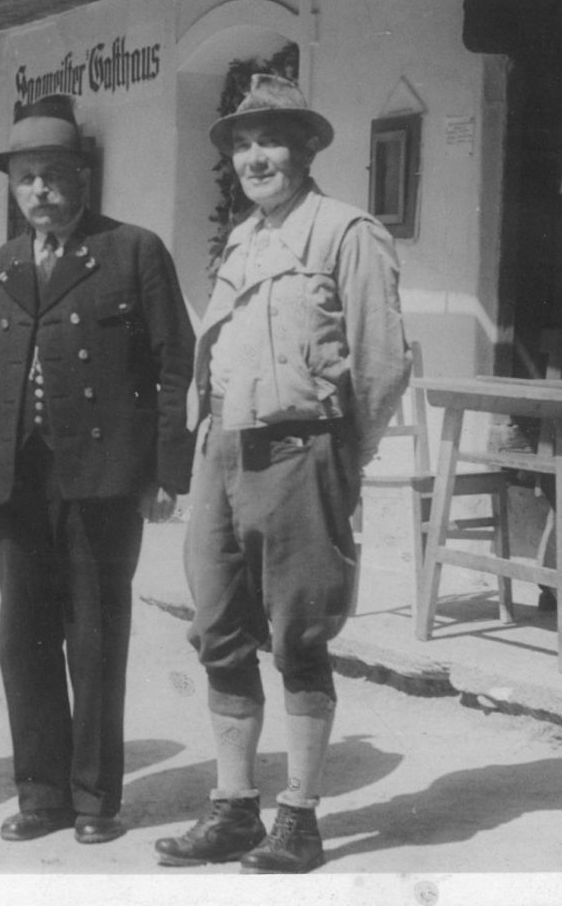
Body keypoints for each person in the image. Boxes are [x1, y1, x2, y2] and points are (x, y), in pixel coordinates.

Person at [153, 74, 411, 873]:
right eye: (242, 144)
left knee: (299, 635)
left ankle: (298, 816)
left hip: (303, 451)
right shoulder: (242, 237)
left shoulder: (346, 232)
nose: (255, 158)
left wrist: (340, 460)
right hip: (224, 451)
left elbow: (380, 364)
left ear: (304, 150)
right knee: (219, 630)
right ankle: (234, 807)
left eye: (270, 141)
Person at [0, 94, 194, 845]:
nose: (41, 190)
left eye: (54, 175)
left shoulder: (132, 251)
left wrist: (168, 473)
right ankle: (41, 795)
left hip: (103, 478)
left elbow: (175, 365)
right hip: (15, 479)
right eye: (27, 178)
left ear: (82, 178)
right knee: (20, 637)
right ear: (13, 187)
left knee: (94, 636)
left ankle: (94, 800)